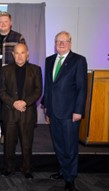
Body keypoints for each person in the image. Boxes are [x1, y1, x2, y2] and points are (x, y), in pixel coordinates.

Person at [43, 31, 87, 191]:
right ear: (55, 44)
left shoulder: (78, 60)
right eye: (58, 41)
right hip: (53, 111)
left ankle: (71, 178)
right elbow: (48, 86)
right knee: (59, 145)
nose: (61, 44)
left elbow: (82, 88)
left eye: (64, 41)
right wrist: (46, 107)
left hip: (70, 113)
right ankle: (63, 170)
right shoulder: (49, 60)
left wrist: (78, 111)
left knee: (70, 146)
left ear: (70, 42)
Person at [0, 44, 42, 180]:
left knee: (27, 144)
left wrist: (25, 102)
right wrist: (13, 103)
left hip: (27, 113)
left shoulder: (35, 70)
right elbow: (1, 91)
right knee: (9, 144)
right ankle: (8, 168)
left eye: (22, 53)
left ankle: (27, 169)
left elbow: (38, 90)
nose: (19, 56)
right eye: (16, 53)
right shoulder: (5, 70)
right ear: (13, 55)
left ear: (27, 54)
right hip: (10, 113)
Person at [0, 11, 27, 144]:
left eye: (6, 21)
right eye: (0, 22)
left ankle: (5, 133)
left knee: (7, 106)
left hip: (10, 78)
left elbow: (23, 57)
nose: (3, 24)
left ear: (10, 23)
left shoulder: (18, 37)